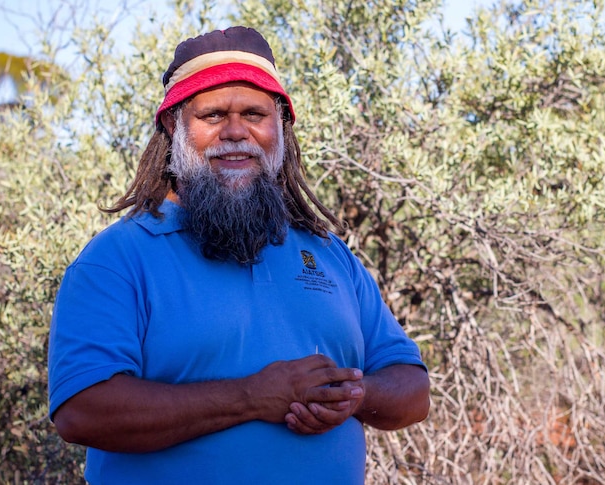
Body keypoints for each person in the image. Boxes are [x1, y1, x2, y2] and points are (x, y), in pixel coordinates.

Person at [47, 26, 430, 484]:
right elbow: (82, 412)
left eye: (254, 113)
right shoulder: (117, 259)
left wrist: (355, 392)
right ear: (174, 125)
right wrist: (251, 397)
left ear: (280, 125)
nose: (235, 132)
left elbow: (413, 390)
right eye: (212, 115)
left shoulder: (328, 255)